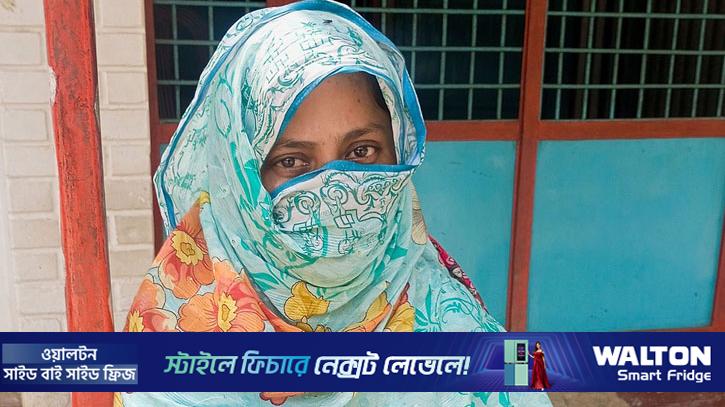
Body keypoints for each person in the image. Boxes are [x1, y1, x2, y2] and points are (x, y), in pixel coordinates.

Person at [117, 1, 552, 405]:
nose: (335, 192)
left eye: (361, 151)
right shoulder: (174, 328)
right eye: (291, 161)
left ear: (397, 151)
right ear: (239, 179)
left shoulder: (454, 321)